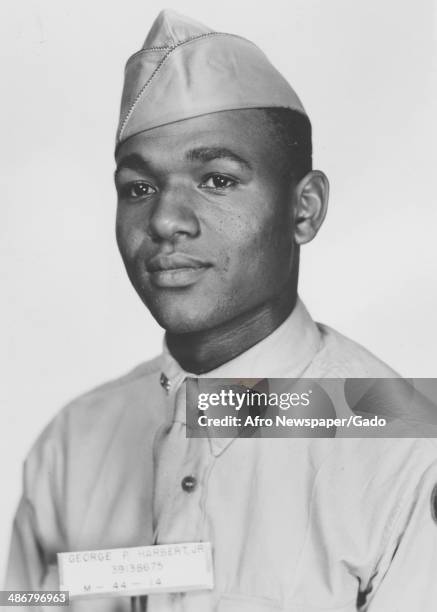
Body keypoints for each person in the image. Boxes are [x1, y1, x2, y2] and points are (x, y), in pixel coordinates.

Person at [6, 9, 437, 611]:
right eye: (138, 188)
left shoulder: (408, 450)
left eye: (217, 179)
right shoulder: (73, 443)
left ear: (304, 209)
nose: (164, 221)